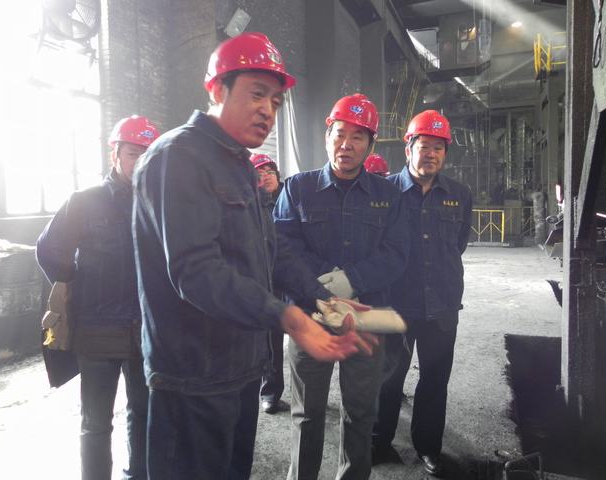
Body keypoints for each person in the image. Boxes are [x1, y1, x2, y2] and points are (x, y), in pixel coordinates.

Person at [131, 33, 369, 480]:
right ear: (217, 89)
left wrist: (320, 299)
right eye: (257, 94)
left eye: (276, 102)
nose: (268, 110)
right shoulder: (177, 157)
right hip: (192, 378)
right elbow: (196, 272)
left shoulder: (238, 162)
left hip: (239, 366)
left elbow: (270, 250)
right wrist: (288, 317)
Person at [274, 93, 409, 480]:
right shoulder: (297, 189)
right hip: (310, 316)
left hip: (366, 320)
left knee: (360, 414)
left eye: (357, 137)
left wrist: (352, 280)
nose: (345, 144)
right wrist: (325, 285)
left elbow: (396, 254)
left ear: (370, 144)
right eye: (339, 134)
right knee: (306, 414)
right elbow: (282, 249)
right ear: (327, 136)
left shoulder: (388, 196)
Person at [36, 115, 160, 480]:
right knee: (95, 422)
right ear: (114, 154)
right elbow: (49, 249)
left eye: (149, 155)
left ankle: (138, 474)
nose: (141, 162)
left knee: (144, 413)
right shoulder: (85, 202)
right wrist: (76, 282)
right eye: (134, 153)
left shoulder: (158, 205)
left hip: (145, 332)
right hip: (98, 330)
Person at [372, 110, 472, 477]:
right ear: (408, 149)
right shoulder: (385, 193)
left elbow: (458, 244)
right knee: (387, 378)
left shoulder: (459, 195)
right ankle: (378, 442)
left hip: (441, 304)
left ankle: (428, 447)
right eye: (424, 145)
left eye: (438, 148)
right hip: (395, 304)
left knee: (434, 379)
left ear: (445, 154)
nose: (430, 154)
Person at [250, 153, 290, 414]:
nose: (265, 177)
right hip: (266, 282)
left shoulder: (291, 198)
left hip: (292, 280)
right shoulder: (248, 204)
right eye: (259, 174)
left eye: (269, 172)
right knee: (271, 341)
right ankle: (270, 393)